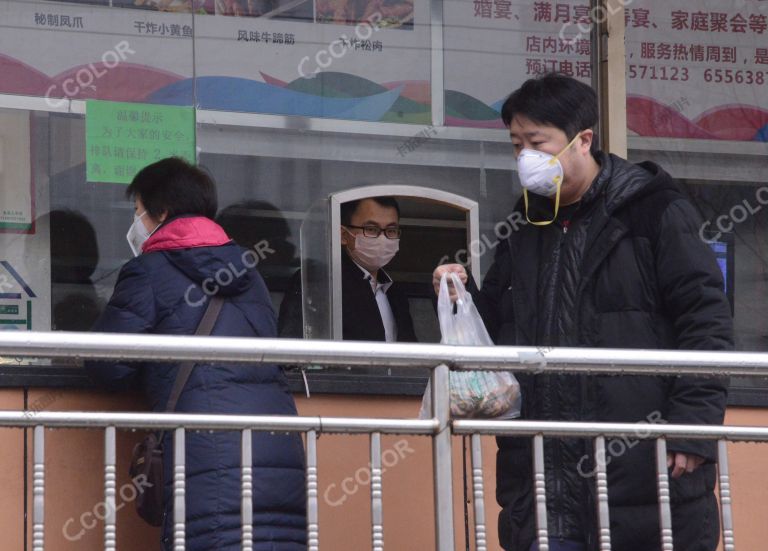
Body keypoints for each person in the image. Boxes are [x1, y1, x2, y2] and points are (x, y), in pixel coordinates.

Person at [433, 74, 733, 551]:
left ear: (584, 140)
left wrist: (692, 428)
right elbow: (494, 326)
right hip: (543, 475)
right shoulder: (527, 221)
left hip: (642, 470)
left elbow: (706, 319)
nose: (524, 157)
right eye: (515, 144)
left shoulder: (652, 211)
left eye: (536, 142)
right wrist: (458, 300)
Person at [85, 157, 307, 551]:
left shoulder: (148, 271)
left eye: (138, 212)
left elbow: (109, 367)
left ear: (162, 213)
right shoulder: (247, 271)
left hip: (206, 460)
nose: (135, 224)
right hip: (279, 451)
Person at [279, 196, 417, 342]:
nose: (382, 238)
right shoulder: (320, 282)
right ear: (344, 235)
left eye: (391, 230)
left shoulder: (395, 294)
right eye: (371, 229)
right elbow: (296, 351)